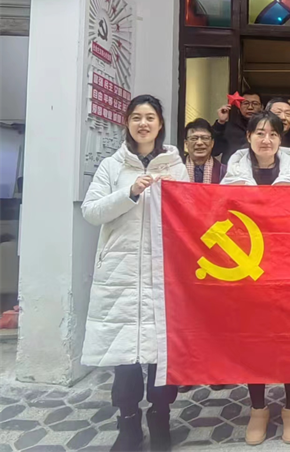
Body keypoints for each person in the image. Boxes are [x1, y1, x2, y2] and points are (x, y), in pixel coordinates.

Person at [81, 95, 190, 452]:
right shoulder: (111, 166)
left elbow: (190, 215)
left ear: (160, 124)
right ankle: (128, 425)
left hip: (163, 272)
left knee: (161, 353)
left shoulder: (175, 166)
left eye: (150, 117)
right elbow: (91, 211)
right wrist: (129, 192)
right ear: (127, 122)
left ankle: (160, 420)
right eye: (137, 117)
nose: (143, 124)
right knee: (124, 355)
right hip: (120, 273)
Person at [220, 111, 290, 445]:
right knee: (253, 341)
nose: (266, 140)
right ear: (248, 137)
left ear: (280, 139)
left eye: (273, 134)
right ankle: (258, 409)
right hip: (248, 273)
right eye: (259, 133)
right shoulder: (231, 178)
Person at [212, 91, 262, 164]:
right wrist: (220, 122)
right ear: (239, 106)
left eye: (255, 104)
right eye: (246, 103)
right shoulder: (228, 127)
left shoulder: (265, 129)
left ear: (262, 107)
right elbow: (214, 151)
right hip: (231, 169)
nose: (250, 107)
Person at [184, 118, 227, 184]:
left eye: (205, 138)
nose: (199, 143)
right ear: (186, 143)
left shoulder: (225, 172)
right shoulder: (174, 169)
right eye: (194, 138)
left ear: (212, 143)